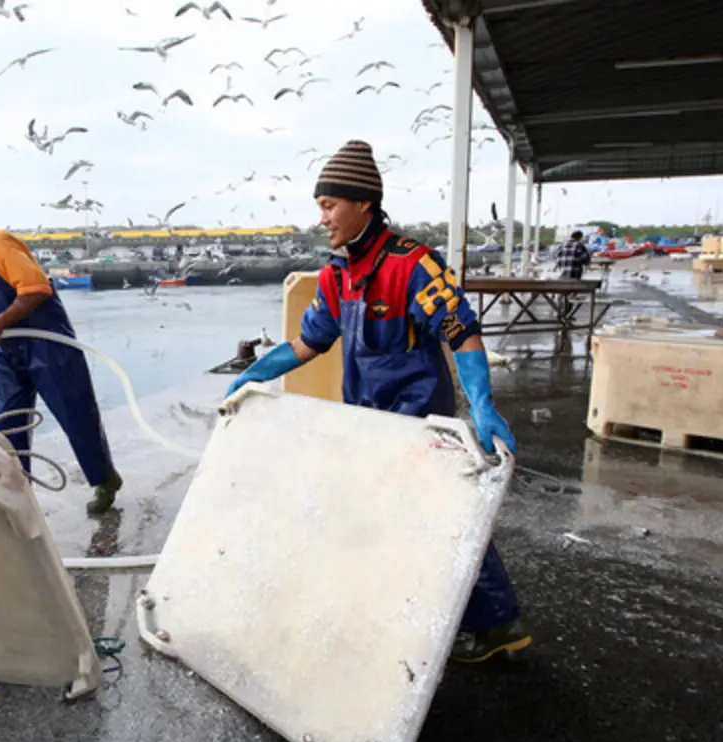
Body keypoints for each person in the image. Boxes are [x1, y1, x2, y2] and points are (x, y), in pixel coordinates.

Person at [225, 140, 530, 664]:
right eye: (319, 206)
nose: (322, 218)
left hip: (418, 422)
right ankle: (422, 609)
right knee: (389, 517)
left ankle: (497, 623)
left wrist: (481, 404)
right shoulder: (336, 275)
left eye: (328, 205)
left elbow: (461, 333)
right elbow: (308, 342)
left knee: (443, 517)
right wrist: (254, 374)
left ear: (363, 202)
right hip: (366, 424)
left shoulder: (413, 265)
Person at [0, 211, 123, 514]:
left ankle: (104, 479)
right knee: (6, 428)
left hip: (49, 344)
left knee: (76, 415)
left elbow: (35, 289)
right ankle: (19, 497)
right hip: (5, 354)